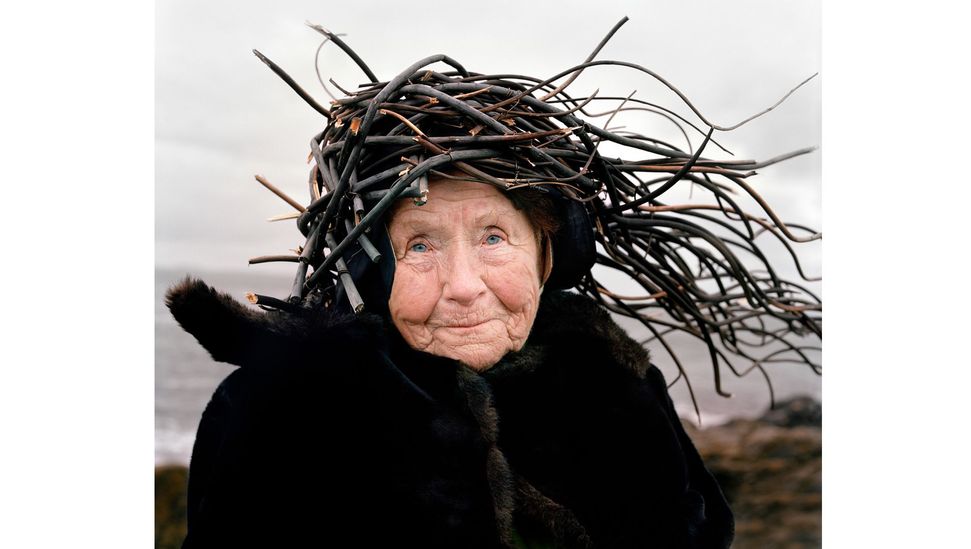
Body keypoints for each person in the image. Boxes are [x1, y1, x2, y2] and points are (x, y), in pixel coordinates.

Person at [167, 20, 819, 548]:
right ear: (374, 269)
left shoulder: (613, 379)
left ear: (543, 251)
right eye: (420, 244)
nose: (463, 286)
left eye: (492, 236)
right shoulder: (274, 411)